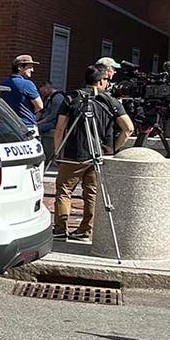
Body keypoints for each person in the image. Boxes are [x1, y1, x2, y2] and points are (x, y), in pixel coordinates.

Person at [52, 65, 134, 241]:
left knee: (64, 190)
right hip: (100, 154)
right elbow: (128, 129)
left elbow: (60, 128)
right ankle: (85, 230)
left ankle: (60, 229)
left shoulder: (72, 98)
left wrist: (58, 150)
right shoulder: (110, 101)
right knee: (92, 192)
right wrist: (114, 149)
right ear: (102, 80)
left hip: (74, 153)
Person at [0, 54, 44, 130]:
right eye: (30, 67)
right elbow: (39, 106)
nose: (32, 70)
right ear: (20, 67)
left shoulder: (4, 83)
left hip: (8, 125)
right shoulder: (27, 84)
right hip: (26, 126)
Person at [37, 82, 67, 160]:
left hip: (54, 122)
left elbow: (53, 115)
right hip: (46, 120)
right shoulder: (47, 97)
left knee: (38, 129)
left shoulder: (57, 98)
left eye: (44, 92)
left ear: (48, 88)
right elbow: (42, 111)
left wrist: (39, 122)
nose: (42, 94)